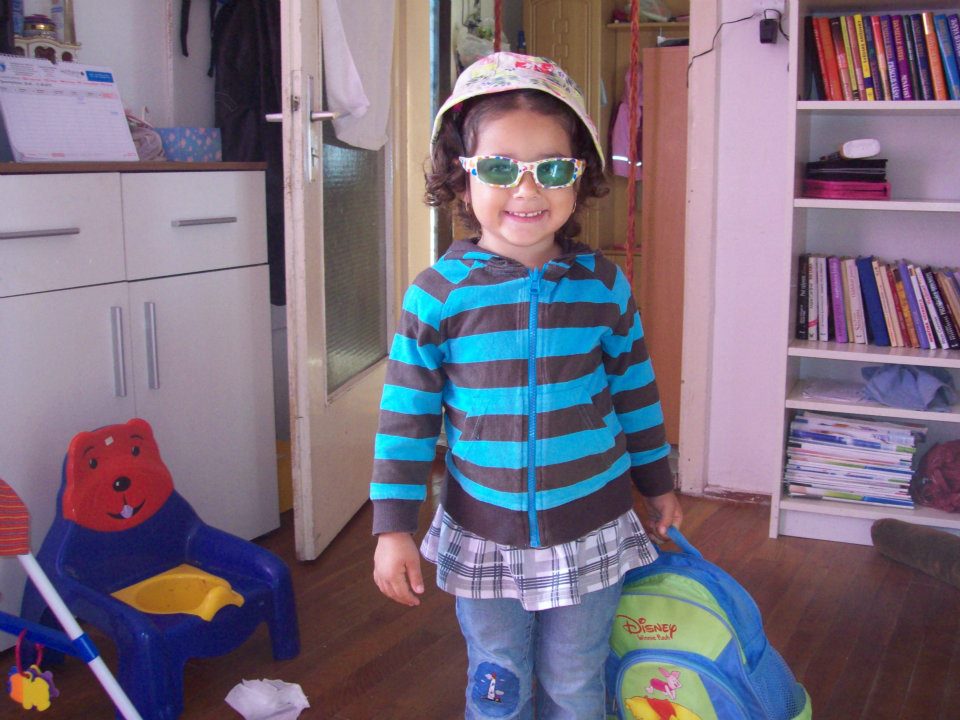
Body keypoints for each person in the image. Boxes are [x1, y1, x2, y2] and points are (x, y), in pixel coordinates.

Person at [370, 51, 682, 720]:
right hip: (483, 530)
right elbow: (406, 421)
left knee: (575, 680)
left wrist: (659, 483)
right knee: (498, 680)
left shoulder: (604, 287)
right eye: (500, 168)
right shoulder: (436, 296)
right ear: (461, 177)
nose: (527, 190)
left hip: (592, 524)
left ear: (580, 177)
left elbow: (636, 393)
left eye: (553, 169)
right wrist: (392, 527)